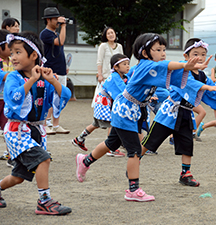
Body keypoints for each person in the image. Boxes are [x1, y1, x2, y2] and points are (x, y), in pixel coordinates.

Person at [75, 33, 208, 201]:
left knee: (112, 142)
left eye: (164, 49)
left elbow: (170, 77)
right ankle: (132, 189)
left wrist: (188, 68)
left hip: (130, 111)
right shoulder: (146, 66)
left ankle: (84, 161)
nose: (163, 53)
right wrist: (184, 65)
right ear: (145, 53)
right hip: (125, 111)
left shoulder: (152, 67)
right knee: (135, 151)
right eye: (158, 50)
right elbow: (167, 66)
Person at [141, 38, 216, 187]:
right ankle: (134, 160)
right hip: (169, 113)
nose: (199, 57)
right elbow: (190, 85)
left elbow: (213, 89)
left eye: (203, 54)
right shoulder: (181, 70)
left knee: (187, 143)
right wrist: (208, 88)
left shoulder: (203, 75)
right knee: (150, 141)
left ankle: (185, 174)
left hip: (186, 113)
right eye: (195, 54)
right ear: (186, 57)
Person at [0, 31, 72, 214]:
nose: (13, 57)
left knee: (18, 176)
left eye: (18, 52)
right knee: (43, 159)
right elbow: (13, 98)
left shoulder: (45, 78)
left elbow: (64, 95)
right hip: (18, 130)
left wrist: (52, 80)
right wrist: (32, 79)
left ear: (33, 55)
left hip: (36, 130)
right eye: (12, 52)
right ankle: (45, 201)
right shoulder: (14, 78)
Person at [72, 54, 129, 158]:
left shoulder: (121, 76)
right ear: (116, 67)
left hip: (103, 101)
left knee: (96, 123)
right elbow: (124, 91)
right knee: (112, 123)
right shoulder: (115, 77)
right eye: (124, 64)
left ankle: (79, 138)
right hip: (105, 103)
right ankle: (111, 148)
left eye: (128, 64)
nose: (127, 66)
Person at [40, 7, 70, 135]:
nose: (58, 21)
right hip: (50, 70)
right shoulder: (45, 33)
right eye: (56, 19)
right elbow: (61, 42)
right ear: (48, 20)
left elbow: (61, 45)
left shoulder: (55, 34)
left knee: (60, 96)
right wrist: (64, 26)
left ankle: (56, 124)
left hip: (60, 69)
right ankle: (46, 123)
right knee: (50, 97)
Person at [0, 30, 11, 167]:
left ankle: (11, 155)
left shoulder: (14, 60)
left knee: (8, 128)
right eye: (9, 46)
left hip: (7, 101)